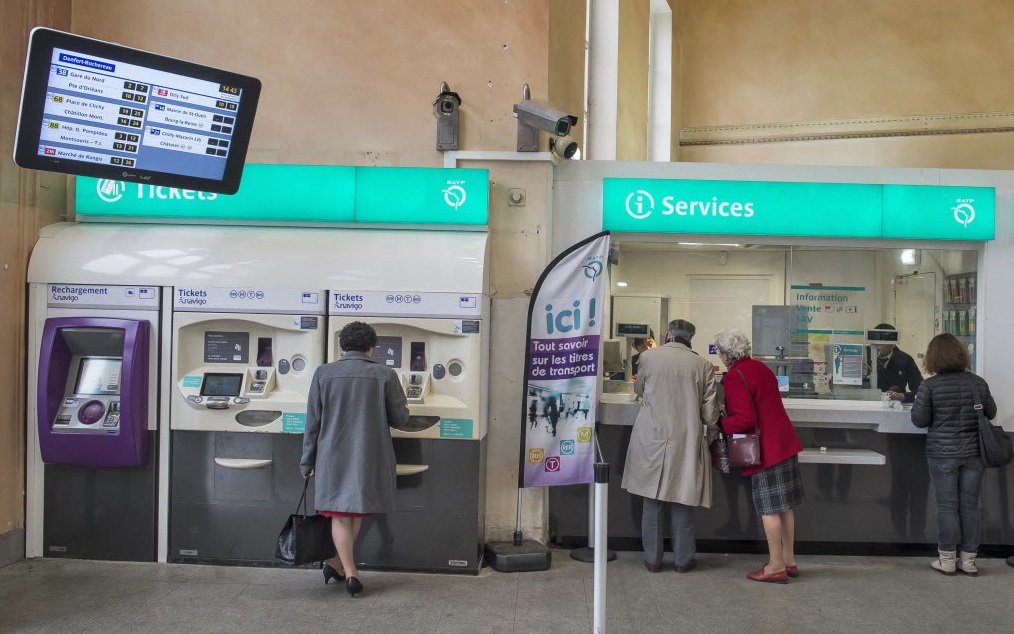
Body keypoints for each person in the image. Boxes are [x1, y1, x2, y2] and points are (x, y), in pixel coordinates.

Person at [300, 321, 409, 597]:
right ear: (371, 347)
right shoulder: (385, 374)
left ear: (342, 346)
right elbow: (401, 418)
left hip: (331, 455)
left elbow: (312, 422)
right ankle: (351, 573)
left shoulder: (323, 373)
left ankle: (337, 565)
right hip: (367, 455)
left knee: (342, 513)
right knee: (354, 510)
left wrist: (307, 461)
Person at [621, 319, 719, 574]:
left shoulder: (648, 359)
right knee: (682, 499)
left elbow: (641, 390)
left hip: (651, 436)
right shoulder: (704, 366)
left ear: (666, 335)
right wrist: (711, 436)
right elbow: (710, 416)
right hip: (686, 438)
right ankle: (683, 560)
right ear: (691, 338)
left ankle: (653, 560)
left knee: (651, 502)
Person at [714, 328, 804, 584]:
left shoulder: (734, 376)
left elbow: (745, 420)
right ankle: (789, 560)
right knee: (785, 507)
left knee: (769, 509)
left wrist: (724, 423)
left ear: (725, 355)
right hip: (784, 442)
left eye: (720, 352)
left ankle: (775, 566)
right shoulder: (762, 368)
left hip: (766, 450)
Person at [911, 333, 995, 576]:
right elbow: (990, 412)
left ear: (932, 358)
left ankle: (947, 559)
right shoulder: (978, 383)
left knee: (947, 506)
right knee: (970, 506)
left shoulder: (929, 386)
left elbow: (919, 421)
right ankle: (969, 561)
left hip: (942, 454)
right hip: (974, 453)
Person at [873, 323, 923, 403]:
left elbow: (920, 390)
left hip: (896, 406)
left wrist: (902, 396)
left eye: (882, 343)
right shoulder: (865, 356)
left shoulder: (905, 360)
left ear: (893, 344)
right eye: (875, 342)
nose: (878, 346)